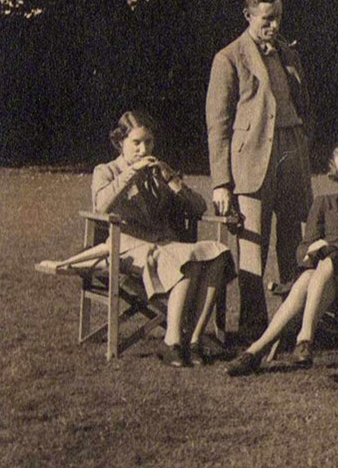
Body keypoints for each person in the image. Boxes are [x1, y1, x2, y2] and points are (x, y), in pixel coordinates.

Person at [43, 111, 233, 367]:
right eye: (136, 143)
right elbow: (101, 206)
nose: (144, 149)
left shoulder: (159, 171)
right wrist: (131, 173)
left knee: (218, 253)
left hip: (165, 245)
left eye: (149, 143)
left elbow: (199, 209)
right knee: (187, 261)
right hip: (127, 246)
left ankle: (195, 341)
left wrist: (172, 180)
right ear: (120, 142)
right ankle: (172, 341)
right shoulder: (106, 170)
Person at [225, 141, 338, 376]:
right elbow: (303, 249)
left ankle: (296, 339)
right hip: (322, 283)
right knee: (312, 273)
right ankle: (259, 351)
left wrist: (331, 250)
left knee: (326, 264)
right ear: (337, 175)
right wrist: (313, 252)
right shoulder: (325, 204)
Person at [206, 0, 313, 346]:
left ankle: (293, 324)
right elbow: (217, 125)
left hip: (290, 153)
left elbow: (303, 105)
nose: (274, 26)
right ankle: (253, 327)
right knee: (252, 247)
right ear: (248, 16)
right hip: (250, 161)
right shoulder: (229, 57)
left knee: (292, 245)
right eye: (267, 19)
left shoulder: (289, 54)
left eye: (278, 17)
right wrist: (222, 182)